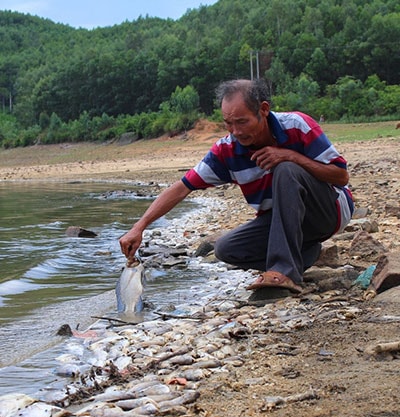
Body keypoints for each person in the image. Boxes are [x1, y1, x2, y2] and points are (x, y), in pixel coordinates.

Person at [119, 78, 353, 294]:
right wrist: (139, 227)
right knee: (226, 249)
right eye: (228, 123)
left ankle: (283, 272)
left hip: (329, 211)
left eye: (242, 122)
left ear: (263, 110)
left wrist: (290, 156)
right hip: (284, 223)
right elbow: (182, 187)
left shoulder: (297, 125)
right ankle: (303, 253)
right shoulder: (227, 152)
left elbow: (341, 176)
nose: (236, 131)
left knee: (285, 169)